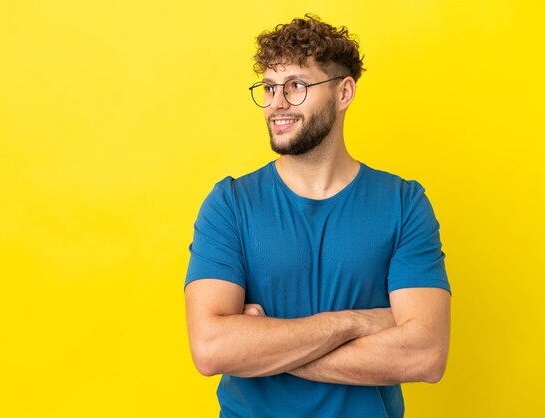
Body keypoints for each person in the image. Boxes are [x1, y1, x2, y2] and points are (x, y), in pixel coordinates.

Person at [184, 14, 451, 418]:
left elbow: (425, 355)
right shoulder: (230, 204)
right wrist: (357, 323)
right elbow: (211, 349)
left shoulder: (404, 203)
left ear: (344, 93)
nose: (276, 103)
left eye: (296, 86)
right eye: (270, 88)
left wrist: (261, 346)